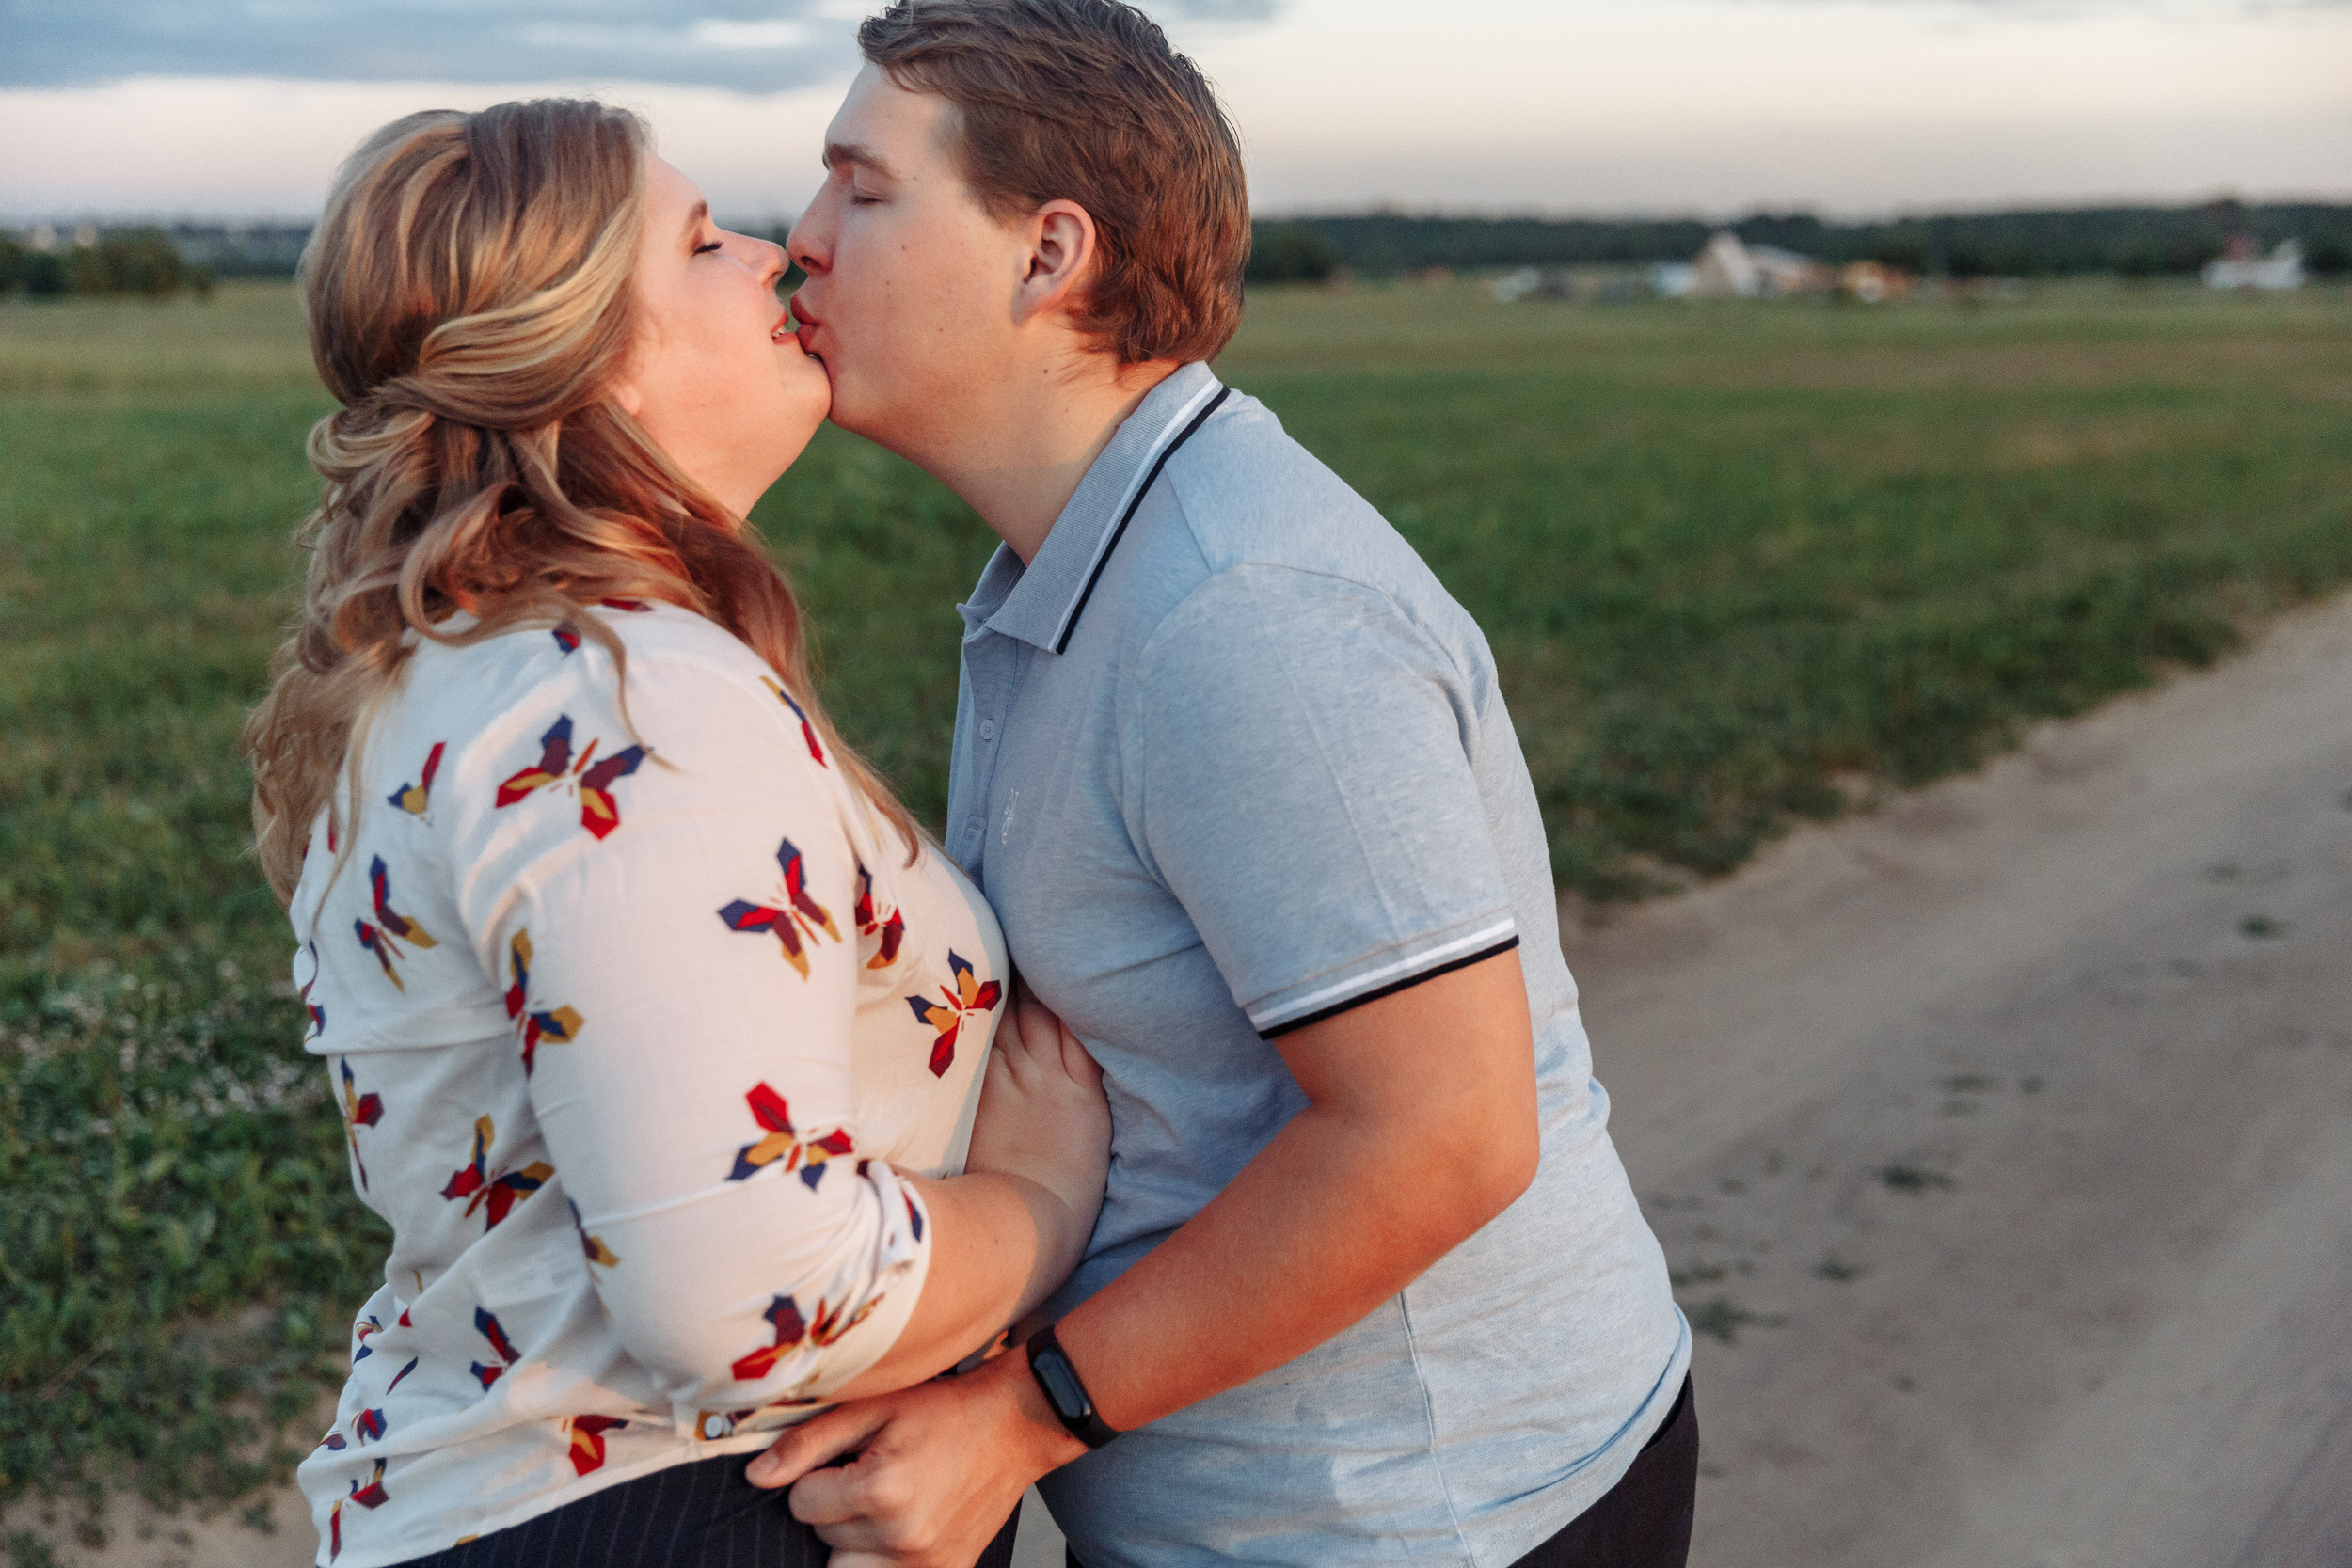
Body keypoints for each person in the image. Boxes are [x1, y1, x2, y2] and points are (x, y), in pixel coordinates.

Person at [750, 4, 1698, 1566]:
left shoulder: (1238, 610)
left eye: (863, 187)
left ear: (1048, 255)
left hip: (1422, 1517)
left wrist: (1025, 1416)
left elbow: (1441, 1136)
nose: (801, 237)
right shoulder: (1090, 562)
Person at [243, 99, 1111, 1568]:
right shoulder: (622, 698)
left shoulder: (460, 663)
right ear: (589, 361)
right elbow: (756, 1297)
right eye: (704, 243)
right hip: (673, 1514)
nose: (776, 253)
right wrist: (1038, 1198)